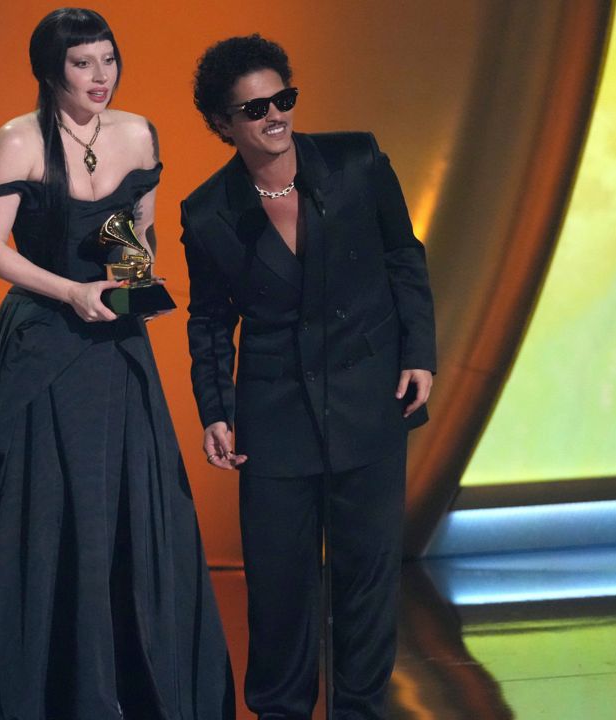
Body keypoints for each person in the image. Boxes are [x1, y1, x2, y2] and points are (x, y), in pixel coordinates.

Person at [0, 9, 234, 719]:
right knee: (34, 511)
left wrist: (131, 282)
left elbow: (138, 226)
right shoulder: (16, 141)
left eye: (108, 60)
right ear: (50, 70)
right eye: (82, 64)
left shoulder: (137, 132)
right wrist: (72, 290)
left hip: (115, 345)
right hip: (43, 338)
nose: (100, 77)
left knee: (123, 507)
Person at [179, 35, 437, 719]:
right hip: (275, 420)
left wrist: (419, 353)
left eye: (283, 99)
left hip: (370, 403)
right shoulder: (207, 213)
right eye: (256, 107)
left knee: (366, 584)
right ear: (223, 123)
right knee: (280, 591)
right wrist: (216, 409)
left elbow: (402, 258)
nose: (275, 116)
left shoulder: (355, 162)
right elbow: (207, 321)